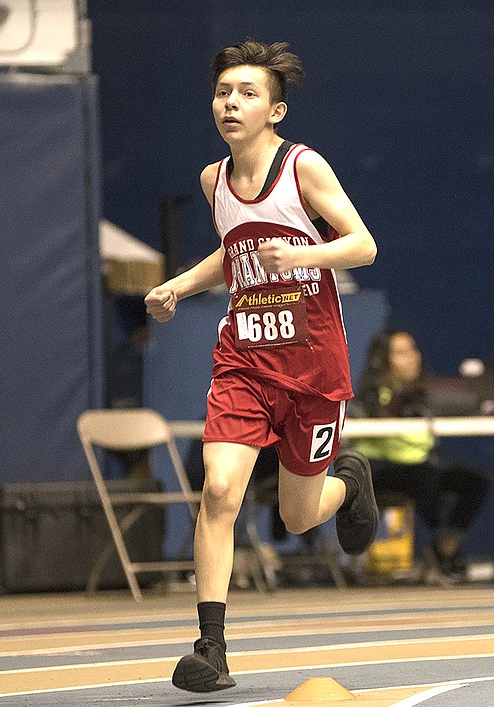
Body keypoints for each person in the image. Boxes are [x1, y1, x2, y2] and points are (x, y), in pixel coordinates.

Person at [144, 39, 378, 693]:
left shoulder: (303, 169)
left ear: (274, 111)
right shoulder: (212, 181)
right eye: (223, 92)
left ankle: (349, 482)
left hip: (313, 366)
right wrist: (180, 287)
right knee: (219, 491)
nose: (231, 102)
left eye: (246, 93)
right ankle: (210, 648)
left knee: (300, 516)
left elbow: (363, 244)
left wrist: (304, 257)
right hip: (243, 360)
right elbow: (232, 251)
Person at [349, 330, 490, 580]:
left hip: (422, 468)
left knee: (474, 482)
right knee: (423, 478)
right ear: (382, 360)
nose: (413, 358)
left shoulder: (424, 394)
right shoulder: (369, 396)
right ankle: (441, 547)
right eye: (401, 353)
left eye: (413, 350)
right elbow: (352, 420)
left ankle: (447, 543)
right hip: (379, 471)